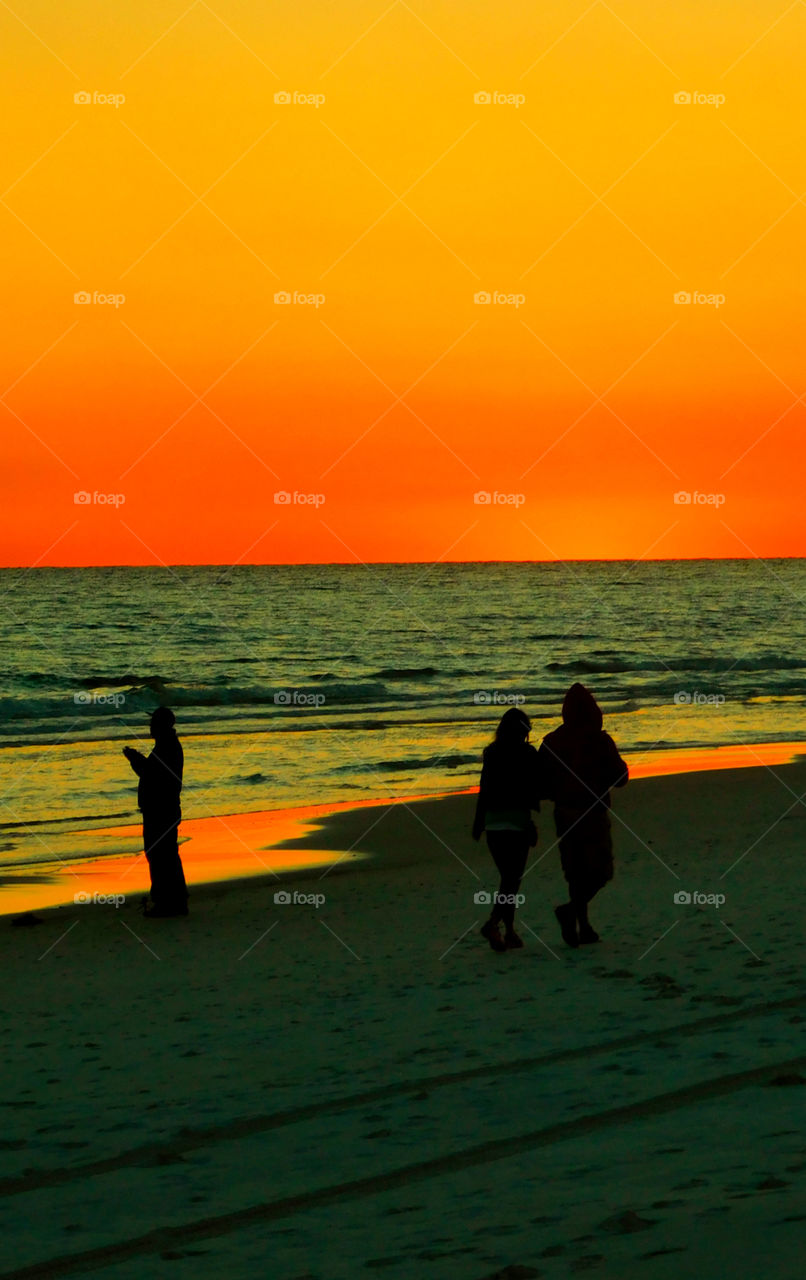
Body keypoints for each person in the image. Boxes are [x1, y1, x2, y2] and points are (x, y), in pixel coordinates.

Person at [537, 683, 628, 947]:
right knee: (601, 872)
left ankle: (581, 923)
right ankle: (575, 916)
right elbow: (621, 778)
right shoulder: (600, 741)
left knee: (575, 872)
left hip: (565, 813)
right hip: (592, 813)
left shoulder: (552, 742)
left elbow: (540, 783)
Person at [472, 706, 542, 951]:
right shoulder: (528, 753)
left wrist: (478, 823)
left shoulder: (491, 753)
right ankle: (493, 924)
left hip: (493, 823)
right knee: (512, 880)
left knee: (508, 879)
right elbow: (537, 787)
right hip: (517, 824)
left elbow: (485, 789)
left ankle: (509, 931)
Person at [123, 707, 188, 918]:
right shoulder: (166, 746)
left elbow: (152, 774)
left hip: (161, 809)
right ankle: (175, 901)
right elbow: (152, 772)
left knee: (160, 855)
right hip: (163, 808)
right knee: (165, 854)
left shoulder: (167, 747)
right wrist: (138, 760)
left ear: (160, 726)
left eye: (153, 724)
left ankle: (166, 903)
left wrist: (135, 759)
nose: (149, 727)